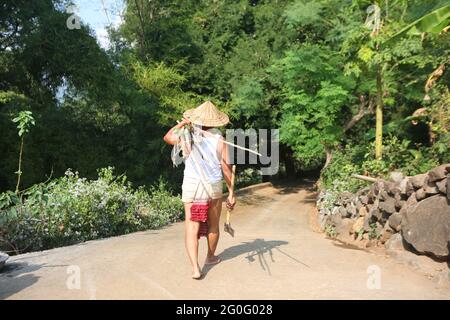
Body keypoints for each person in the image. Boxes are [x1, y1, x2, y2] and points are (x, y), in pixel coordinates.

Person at [163, 101, 236, 279]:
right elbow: (226, 168)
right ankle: (210, 257)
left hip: (192, 187)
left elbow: (168, 137)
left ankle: (196, 268)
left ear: (194, 119)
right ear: (215, 122)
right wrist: (232, 193)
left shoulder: (186, 135)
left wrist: (183, 123)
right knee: (213, 224)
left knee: (191, 228)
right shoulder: (219, 139)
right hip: (212, 187)